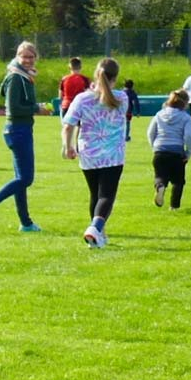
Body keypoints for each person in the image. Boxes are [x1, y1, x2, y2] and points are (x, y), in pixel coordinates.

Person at [0, 42, 48, 233]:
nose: (29, 60)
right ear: (18, 56)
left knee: (20, 179)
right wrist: (36, 108)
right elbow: (14, 107)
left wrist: (35, 105)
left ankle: (26, 223)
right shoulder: (16, 77)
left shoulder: (22, 76)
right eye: (25, 56)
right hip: (18, 130)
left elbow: (5, 94)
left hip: (20, 129)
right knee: (25, 179)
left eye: (31, 56)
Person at [63, 58, 128, 249]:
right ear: (115, 76)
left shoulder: (82, 99)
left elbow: (68, 126)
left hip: (89, 153)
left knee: (95, 195)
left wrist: (68, 147)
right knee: (106, 195)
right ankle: (96, 227)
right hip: (113, 154)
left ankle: (97, 237)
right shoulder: (122, 98)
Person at [147, 89, 191, 210]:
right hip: (176, 152)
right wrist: (188, 152)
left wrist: (154, 146)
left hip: (160, 151)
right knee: (178, 181)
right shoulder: (185, 117)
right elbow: (188, 136)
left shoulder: (159, 114)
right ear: (185, 103)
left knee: (160, 176)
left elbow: (150, 133)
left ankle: (160, 186)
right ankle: (174, 206)